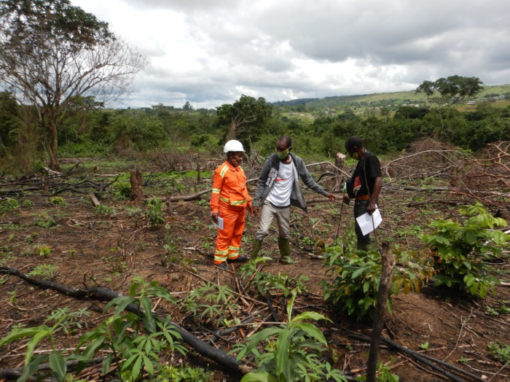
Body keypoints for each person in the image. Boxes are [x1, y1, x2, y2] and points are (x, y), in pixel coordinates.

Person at [251, 136, 336, 263]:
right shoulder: (272, 160)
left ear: (289, 149)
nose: (279, 152)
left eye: (282, 149)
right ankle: (252, 259)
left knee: (284, 234)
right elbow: (262, 181)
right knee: (262, 231)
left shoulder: (297, 162)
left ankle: (285, 257)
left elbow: (309, 181)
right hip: (270, 201)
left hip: (285, 204)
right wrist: (256, 200)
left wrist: (325, 193)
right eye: (277, 149)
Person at [210, 140, 253, 268]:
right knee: (225, 234)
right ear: (230, 155)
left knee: (238, 233)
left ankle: (233, 256)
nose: (240, 159)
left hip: (240, 209)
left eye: (241, 156)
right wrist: (214, 209)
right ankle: (220, 260)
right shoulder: (221, 170)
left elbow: (243, 189)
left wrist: (249, 202)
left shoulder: (240, 170)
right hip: (227, 209)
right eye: (238, 156)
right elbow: (216, 191)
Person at [342, 136, 382, 250]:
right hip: (360, 203)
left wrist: (372, 202)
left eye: (351, 152)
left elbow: (378, 179)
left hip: (366, 203)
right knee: (360, 233)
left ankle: (364, 260)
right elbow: (360, 184)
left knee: (363, 235)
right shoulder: (362, 160)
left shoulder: (370, 158)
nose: (351, 155)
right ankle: (363, 260)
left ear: (357, 148)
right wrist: (349, 196)